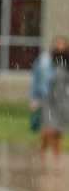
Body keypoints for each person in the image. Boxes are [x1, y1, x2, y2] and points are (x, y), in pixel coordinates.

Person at [31, 36, 69, 169]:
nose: (60, 47)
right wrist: (34, 98)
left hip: (63, 101)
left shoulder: (66, 62)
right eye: (57, 44)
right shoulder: (44, 61)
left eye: (62, 44)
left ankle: (55, 158)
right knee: (48, 129)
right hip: (48, 99)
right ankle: (42, 152)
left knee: (58, 131)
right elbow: (36, 80)